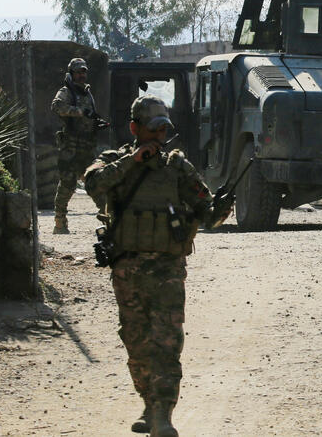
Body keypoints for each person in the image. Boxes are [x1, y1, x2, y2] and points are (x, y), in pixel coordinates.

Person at [84, 95, 231, 437]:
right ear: (135, 128)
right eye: (152, 130)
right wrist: (133, 161)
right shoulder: (113, 161)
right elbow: (93, 184)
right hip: (127, 268)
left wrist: (221, 208)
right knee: (136, 342)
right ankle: (149, 403)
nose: (159, 137)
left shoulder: (177, 167)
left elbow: (207, 214)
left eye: (163, 130)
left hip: (167, 269)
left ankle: (163, 414)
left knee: (166, 341)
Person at [50, 57, 107, 234]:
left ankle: (106, 217)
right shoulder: (67, 92)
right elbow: (56, 106)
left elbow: (89, 117)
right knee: (67, 184)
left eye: (83, 72)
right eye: (78, 72)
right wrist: (80, 112)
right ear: (71, 74)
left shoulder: (86, 93)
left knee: (94, 181)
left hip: (87, 145)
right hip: (70, 146)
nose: (81, 75)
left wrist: (96, 122)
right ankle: (60, 222)